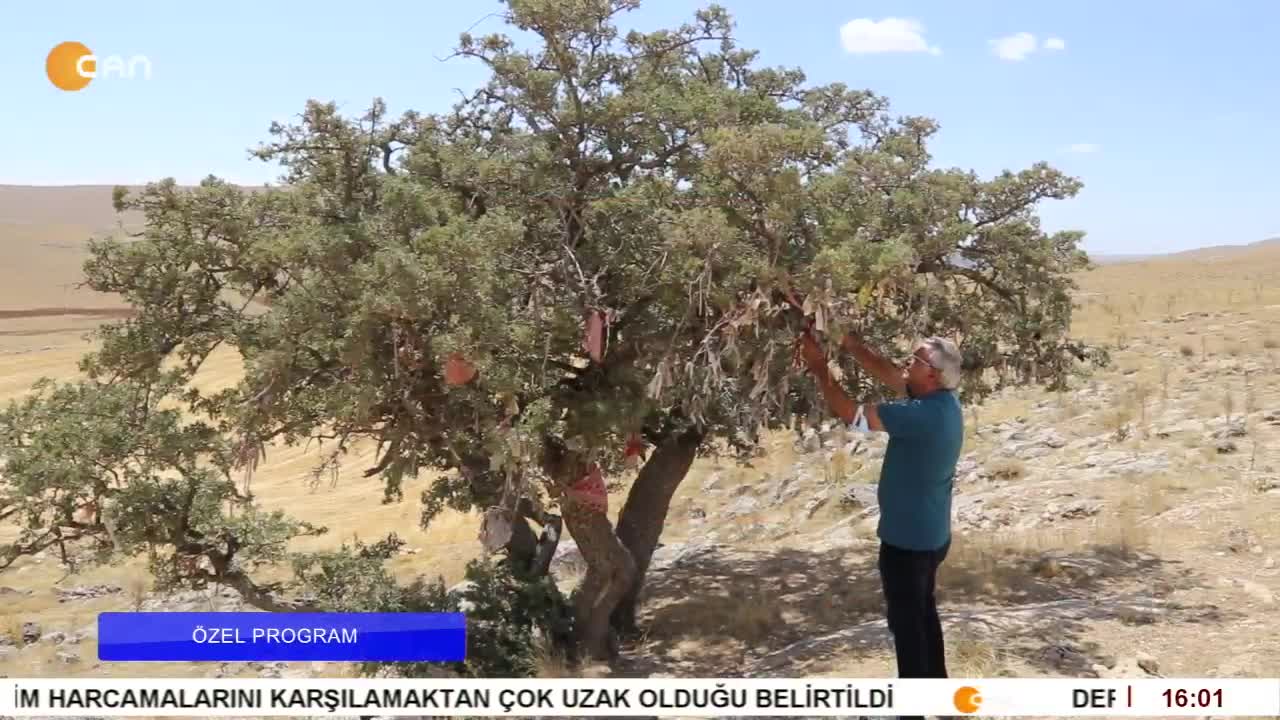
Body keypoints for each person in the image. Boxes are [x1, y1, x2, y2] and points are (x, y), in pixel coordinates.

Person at [796, 327, 965, 692]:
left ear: (932, 374)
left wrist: (818, 366)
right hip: (931, 537)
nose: (908, 361)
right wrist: (848, 342)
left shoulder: (920, 415)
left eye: (916, 359)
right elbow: (891, 374)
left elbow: (852, 414)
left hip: (907, 543)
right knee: (923, 618)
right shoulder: (942, 402)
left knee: (907, 630)